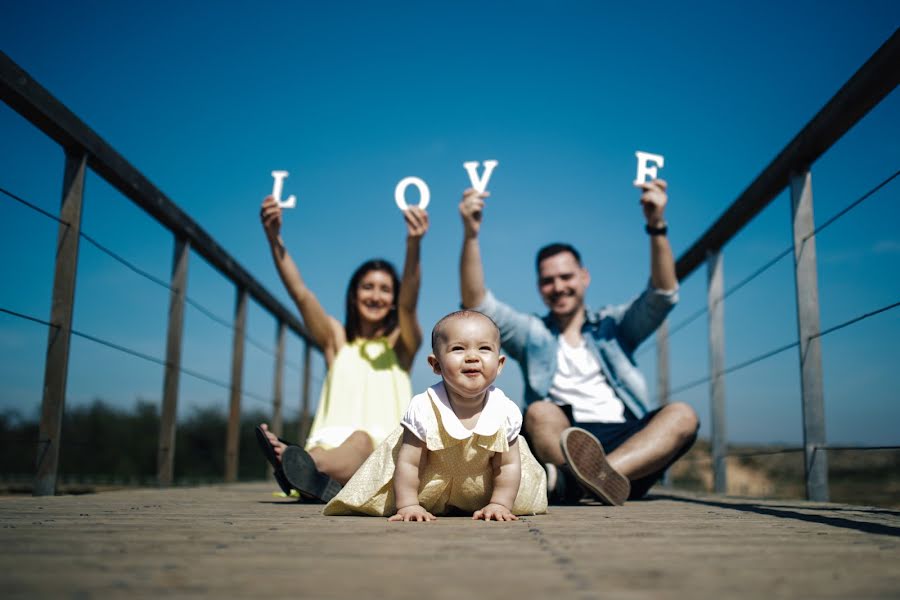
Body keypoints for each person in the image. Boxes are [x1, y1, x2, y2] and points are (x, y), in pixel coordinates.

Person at [458, 179, 699, 506]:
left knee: (683, 414)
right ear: (539, 287)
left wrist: (656, 225)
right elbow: (477, 305)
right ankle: (589, 480)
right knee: (540, 412)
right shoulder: (532, 333)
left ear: (584, 277)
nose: (558, 287)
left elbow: (663, 295)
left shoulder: (615, 326)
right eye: (548, 281)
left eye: (566, 277)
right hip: (565, 440)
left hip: (628, 443)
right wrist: (471, 235)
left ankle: (579, 484)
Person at [255, 194, 428, 502]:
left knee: (361, 441)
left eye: (385, 289)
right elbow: (300, 293)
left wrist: (413, 245)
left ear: (393, 300)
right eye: (368, 287)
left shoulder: (402, 345)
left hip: (382, 454)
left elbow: (410, 303)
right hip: (332, 445)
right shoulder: (337, 340)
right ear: (353, 294)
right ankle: (314, 472)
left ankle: (300, 468)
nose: (376, 296)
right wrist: (273, 238)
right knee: (322, 448)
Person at [323, 310, 548, 520]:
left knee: (517, 476)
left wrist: (500, 503)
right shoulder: (425, 407)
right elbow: (410, 463)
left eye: (484, 349)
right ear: (436, 365)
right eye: (458, 349)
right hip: (427, 488)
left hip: (487, 489)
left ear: (499, 365)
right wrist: (408, 504)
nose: (472, 357)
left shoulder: (504, 411)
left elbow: (507, 466)